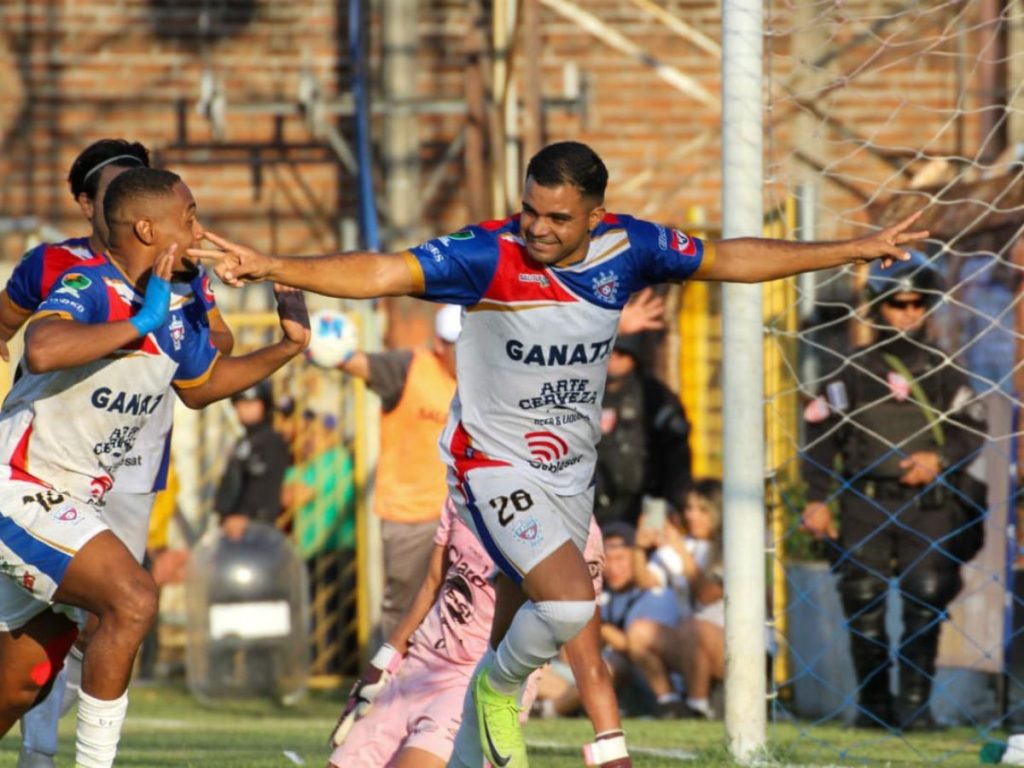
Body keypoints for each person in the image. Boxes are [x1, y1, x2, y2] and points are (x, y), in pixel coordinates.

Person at [189, 140, 927, 766]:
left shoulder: (631, 247)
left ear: (596, 216)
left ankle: (489, 703)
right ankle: (500, 686)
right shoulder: (488, 254)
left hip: (570, 475)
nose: (537, 228)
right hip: (491, 465)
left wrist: (856, 248)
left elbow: (732, 258)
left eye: (557, 217)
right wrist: (272, 261)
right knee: (571, 602)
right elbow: (382, 270)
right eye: (530, 210)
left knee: (526, 633)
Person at [0, 166, 309, 767]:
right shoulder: (92, 284)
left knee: (20, 681)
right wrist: (139, 324)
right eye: (189, 216)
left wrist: (288, 347)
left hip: (69, 502)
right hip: (18, 487)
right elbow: (42, 348)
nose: (199, 228)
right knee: (133, 597)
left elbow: (202, 386)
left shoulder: (182, 304)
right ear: (147, 227)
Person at [800, 251, 987, 731]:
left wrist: (938, 460)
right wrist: (817, 499)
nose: (909, 313)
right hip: (864, 501)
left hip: (928, 506)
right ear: (879, 306)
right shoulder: (850, 370)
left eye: (918, 304)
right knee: (863, 602)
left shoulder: (943, 367)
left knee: (926, 600)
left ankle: (917, 709)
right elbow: (820, 439)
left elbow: (972, 426)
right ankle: (873, 706)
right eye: (898, 304)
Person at [326, 500, 628, 768]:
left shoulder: (576, 530)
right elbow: (433, 584)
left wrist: (611, 747)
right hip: (418, 670)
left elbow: (586, 659)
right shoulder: (466, 487)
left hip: (476, 685)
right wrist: (382, 665)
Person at [309, 304, 459, 638]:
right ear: (439, 344)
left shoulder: (486, 381)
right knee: (407, 606)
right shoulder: (408, 367)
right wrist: (320, 343)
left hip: (467, 514)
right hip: (412, 515)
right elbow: (356, 362)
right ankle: (396, 681)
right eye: (456, 344)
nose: (463, 353)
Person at [633, 479, 725, 719]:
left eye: (702, 510)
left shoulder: (731, 548)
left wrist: (680, 550)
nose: (691, 515)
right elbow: (645, 581)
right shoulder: (684, 545)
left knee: (692, 627)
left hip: (733, 645)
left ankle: (698, 705)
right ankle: (670, 704)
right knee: (639, 632)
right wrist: (639, 548)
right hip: (692, 641)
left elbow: (708, 596)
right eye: (689, 508)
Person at [594, 332, 692, 527]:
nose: (613, 359)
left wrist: (672, 501)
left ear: (635, 356)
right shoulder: (586, 394)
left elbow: (677, 453)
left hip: (647, 506)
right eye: (609, 353)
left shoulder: (653, 395)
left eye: (622, 353)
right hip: (593, 506)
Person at [597, 522, 684, 718]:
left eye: (620, 558)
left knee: (610, 665)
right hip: (627, 684)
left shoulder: (657, 594)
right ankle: (547, 707)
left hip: (655, 683)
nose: (612, 567)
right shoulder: (605, 597)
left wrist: (601, 630)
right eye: (606, 560)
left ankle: (669, 702)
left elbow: (637, 648)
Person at [215, 381, 291, 541]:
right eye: (240, 403)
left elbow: (270, 489)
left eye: (251, 402)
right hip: (232, 531)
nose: (244, 408)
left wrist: (251, 518)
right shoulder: (242, 442)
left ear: (265, 404)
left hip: (258, 532)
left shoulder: (272, 441)